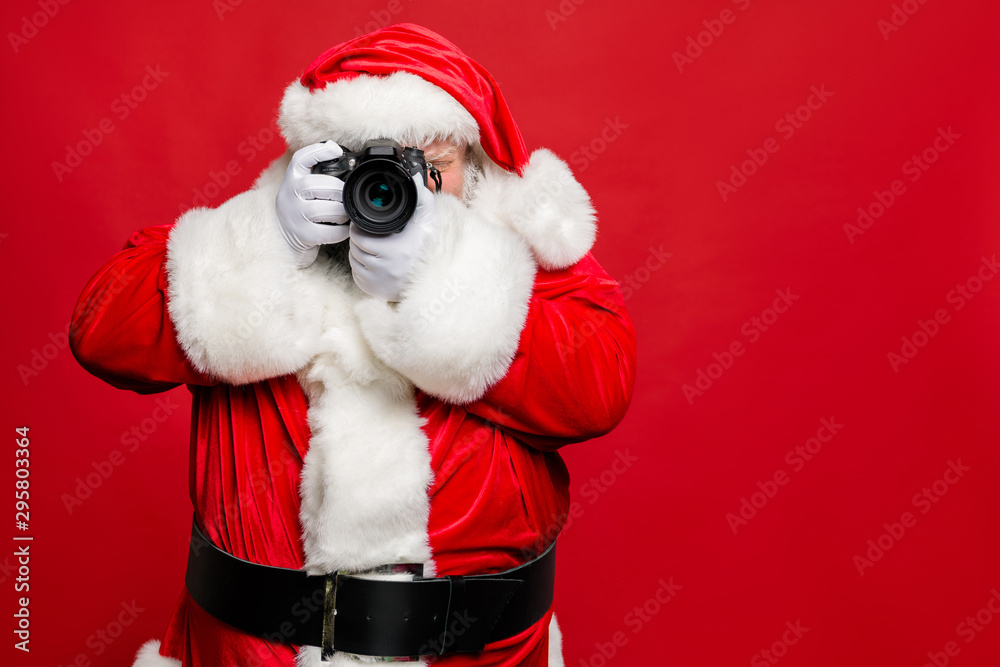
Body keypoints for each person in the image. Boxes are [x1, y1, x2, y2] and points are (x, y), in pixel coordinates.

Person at [70, 23, 637, 667]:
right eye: (365, 159)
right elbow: (98, 334)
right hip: (252, 650)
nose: (395, 183)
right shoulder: (269, 232)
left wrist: (442, 278)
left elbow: (600, 388)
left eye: (431, 163)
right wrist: (267, 239)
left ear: (474, 165)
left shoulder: (526, 257)